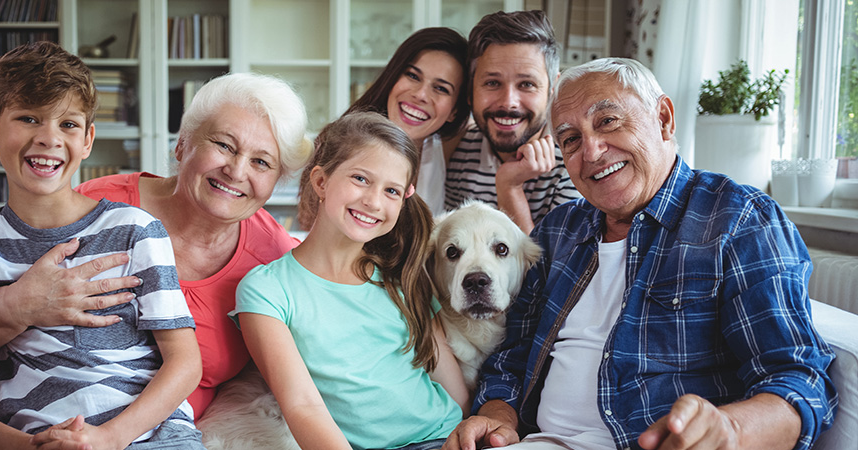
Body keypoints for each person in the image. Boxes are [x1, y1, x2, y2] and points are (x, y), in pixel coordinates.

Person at [443, 57, 837, 450]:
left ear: (664, 118)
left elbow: (798, 379)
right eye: (571, 139)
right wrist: (496, 417)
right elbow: (512, 356)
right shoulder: (560, 229)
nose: (593, 151)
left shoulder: (739, 219)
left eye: (608, 121)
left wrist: (731, 430)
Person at [0, 72, 312, 448]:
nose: (236, 170)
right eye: (223, 145)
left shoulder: (273, 259)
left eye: (262, 162)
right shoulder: (97, 210)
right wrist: (16, 304)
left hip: (149, 430)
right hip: (13, 416)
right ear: (182, 144)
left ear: (277, 179)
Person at [0, 41, 205, 449]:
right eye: (28, 118)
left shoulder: (136, 229)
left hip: (144, 433)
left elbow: (185, 363)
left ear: (88, 139)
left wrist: (108, 438)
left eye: (68, 124)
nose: (49, 138)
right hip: (28, 435)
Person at [233, 112, 467, 450]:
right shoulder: (267, 290)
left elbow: (455, 393)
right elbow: (302, 406)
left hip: (446, 436)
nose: (373, 201)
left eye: (391, 190)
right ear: (321, 182)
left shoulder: (401, 279)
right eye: (360, 178)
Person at [444, 10, 580, 234]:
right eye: (492, 83)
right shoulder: (460, 151)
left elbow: (551, 269)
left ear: (553, 90)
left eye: (526, 84)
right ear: (470, 91)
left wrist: (510, 188)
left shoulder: (575, 161)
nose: (508, 103)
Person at [340, 26, 470, 216]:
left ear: (454, 111)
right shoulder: (344, 144)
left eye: (441, 88)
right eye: (412, 76)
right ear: (392, 77)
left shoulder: (446, 146)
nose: (420, 95)